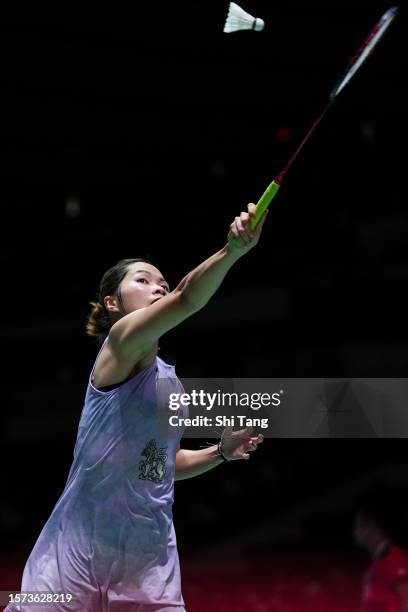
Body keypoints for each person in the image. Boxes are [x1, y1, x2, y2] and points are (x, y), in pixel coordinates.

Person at [6, 203, 266, 612]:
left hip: (147, 561)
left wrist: (219, 452)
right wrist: (232, 250)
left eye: (161, 282)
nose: (158, 287)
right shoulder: (121, 342)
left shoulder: (169, 382)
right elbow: (186, 298)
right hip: (72, 556)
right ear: (112, 303)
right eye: (143, 280)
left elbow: (159, 463)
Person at [354, 484, 408, 612]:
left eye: (358, 526)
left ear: (370, 527)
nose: (355, 532)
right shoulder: (377, 562)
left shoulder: (394, 558)